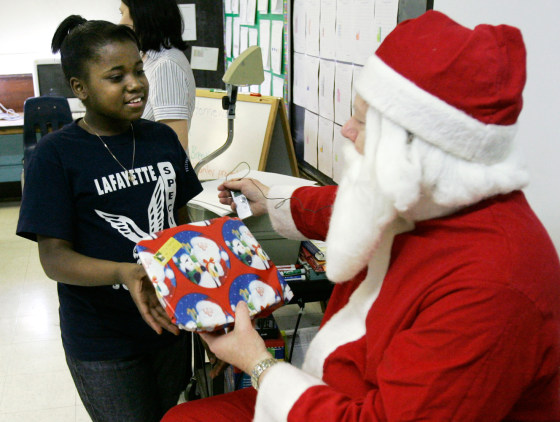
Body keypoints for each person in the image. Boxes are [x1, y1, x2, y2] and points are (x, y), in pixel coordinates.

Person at [162, 10, 560, 421]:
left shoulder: (493, 287)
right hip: (333, 390)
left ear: (418, 152)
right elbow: (357, 205)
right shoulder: (436, 195)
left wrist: (259, 363)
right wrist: (275, 201)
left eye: (363, 121)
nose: (347, 130)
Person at [16, 15, 202, 422]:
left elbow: (180, 219)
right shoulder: (56, 155)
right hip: (103, 340)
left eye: (138, 70)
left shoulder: (161, 139)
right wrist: (127, 272)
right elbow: (54, 260)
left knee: (174, 416)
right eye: (116, 76)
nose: (135, 83)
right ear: (80, 88)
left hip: (171, 324)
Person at [119, 0, 196, 151]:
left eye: (123, 14)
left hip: (160, 172)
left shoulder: (166, 65)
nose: (120, 22)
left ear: (143, 15)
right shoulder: (146, 58)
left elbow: (176, 143)